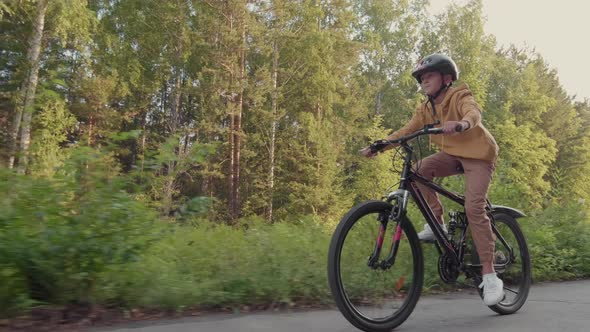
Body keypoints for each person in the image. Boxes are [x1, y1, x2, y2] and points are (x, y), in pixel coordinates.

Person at [360, 53, 504, 306]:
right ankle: (438, 225)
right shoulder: (425, 108)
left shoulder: (459, 95)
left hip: (479, 156)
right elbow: (407, 130)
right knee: (417, 172)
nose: (424, 81)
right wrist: (381, 145)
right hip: (452, 155)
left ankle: (490, 275)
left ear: (446, 78)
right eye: (421, 78)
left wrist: (461, 123)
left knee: (473, 208)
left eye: (429, 76)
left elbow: (474, 113)